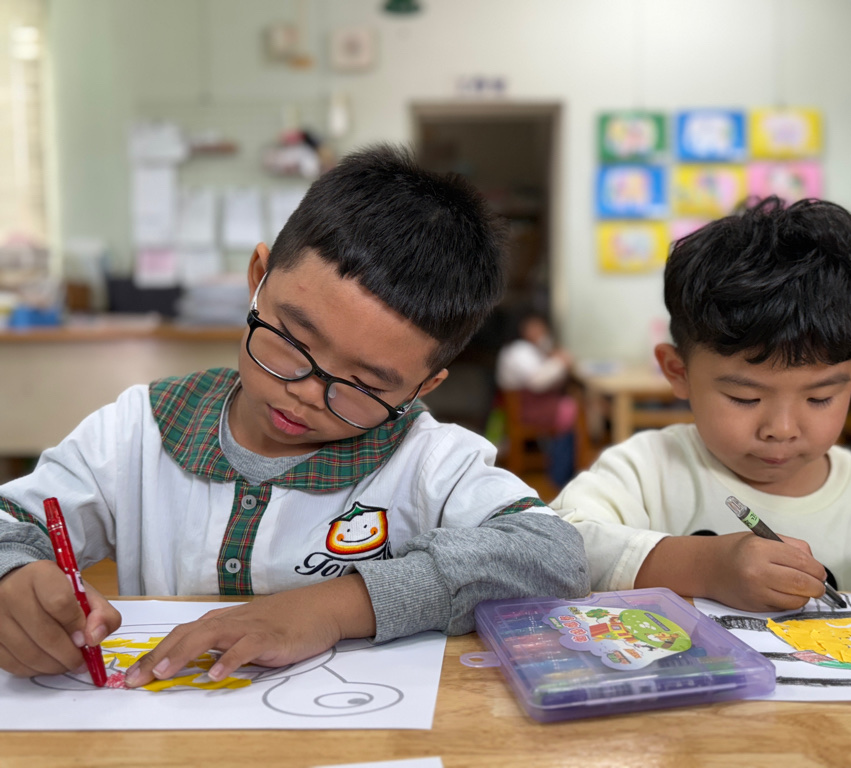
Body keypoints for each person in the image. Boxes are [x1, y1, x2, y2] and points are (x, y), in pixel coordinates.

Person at [0, 144, 589, 686]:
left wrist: (335, 607)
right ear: (258, 280)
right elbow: (11, 521)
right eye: (293, 342)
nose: (307, 392)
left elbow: (553, 555)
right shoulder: (140, 430)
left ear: (421, 387)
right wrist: (13, 577)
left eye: (365, 385)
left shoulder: (429, 462)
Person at [551, 197, 851, 618]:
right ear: (678, 371)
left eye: (820, 398)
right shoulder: (646, 471)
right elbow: (557, 548)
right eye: (746, 398)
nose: (781, 428)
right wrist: (705, 567)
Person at [495, 309, 577, 487]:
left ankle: (562, 470)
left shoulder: (529, 350)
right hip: (526, 410)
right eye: (535, 326)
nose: (540, 331)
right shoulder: (518, 350)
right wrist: (561, 361)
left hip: (530, 405)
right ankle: (561, 474)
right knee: (573, 410)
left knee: (574, 406)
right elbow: (538, 381)